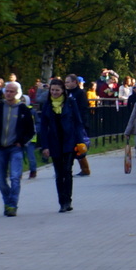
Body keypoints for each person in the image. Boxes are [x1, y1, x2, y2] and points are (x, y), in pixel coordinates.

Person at [36, 78, 87, 213]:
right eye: (52, 90)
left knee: (67, 171)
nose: (54, 92)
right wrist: (45, 146)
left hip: (69, 141)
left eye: (57, 90)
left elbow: (78, 122)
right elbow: (43, 127)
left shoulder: (70, 103)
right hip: (54, 142)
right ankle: (62, 202)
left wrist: (80, 141)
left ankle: (68, 200)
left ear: (63, 90)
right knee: (59, 173)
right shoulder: (47, 105)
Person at [0, 81, 34, 216]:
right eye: (7, 91)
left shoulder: (23, 110)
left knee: (15, 177)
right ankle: (7, 200)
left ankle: (12, 205)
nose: (8, 94)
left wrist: (22, 142)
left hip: (15, 148)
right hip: (0, 148)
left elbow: (31, 130)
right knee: (0, 179)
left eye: (11, 91)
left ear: (17, 93)